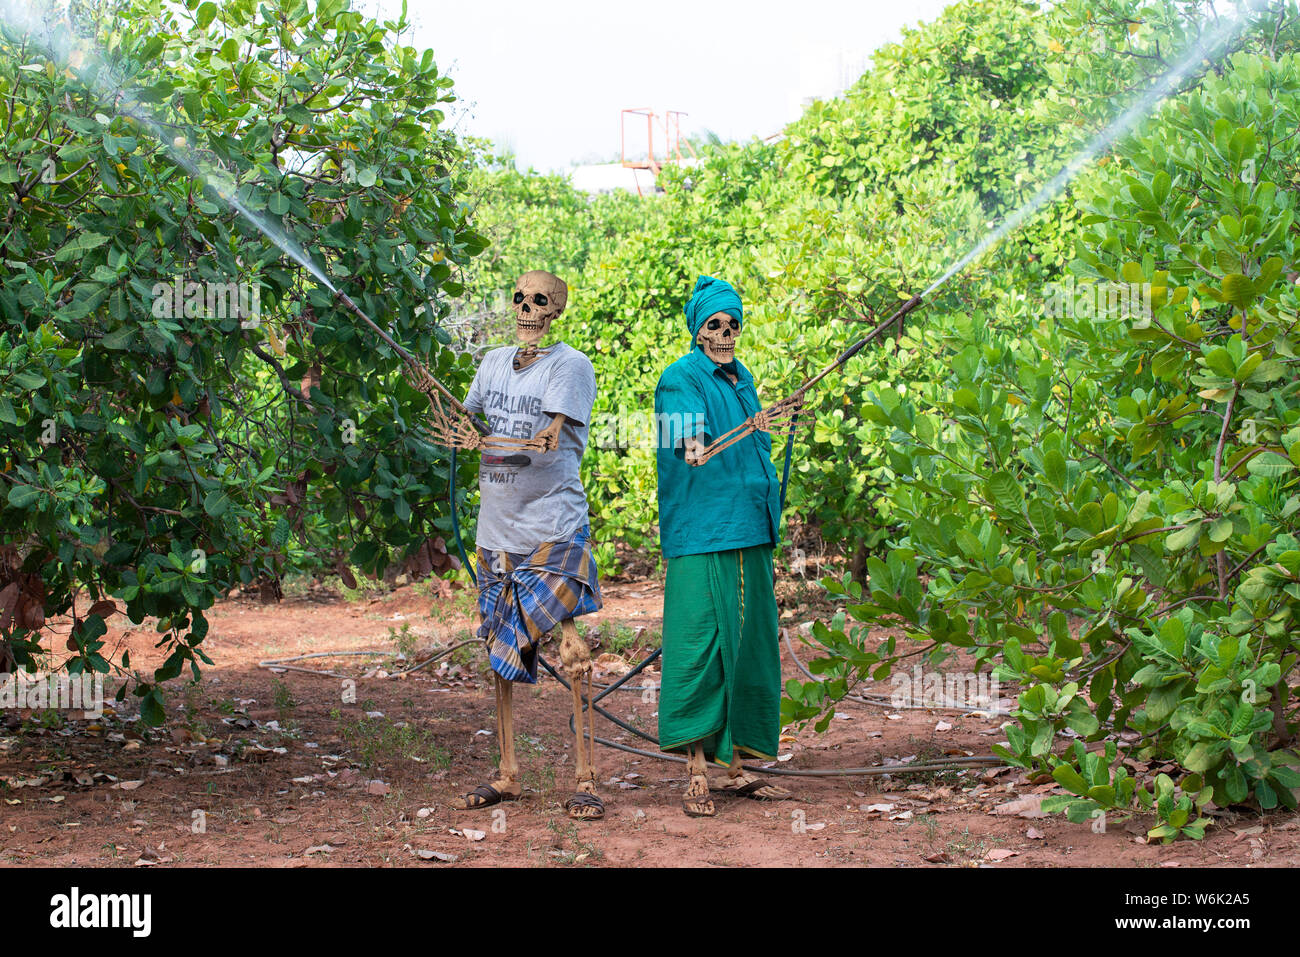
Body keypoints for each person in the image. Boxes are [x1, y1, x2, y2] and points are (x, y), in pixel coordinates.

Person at [653, 274, 791, 817]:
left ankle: (734, 766)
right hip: (704, 531)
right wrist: (746, 427)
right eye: (715, 324)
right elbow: (691, 450)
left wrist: (767, 421)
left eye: (733, 324)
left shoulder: (742, 377)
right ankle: (694, 770)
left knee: (748, 645)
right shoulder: (679, 380)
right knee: (699, 646)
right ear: (697, 330)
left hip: (751, 527)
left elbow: (750, 444)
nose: (726, 333)